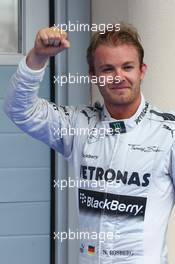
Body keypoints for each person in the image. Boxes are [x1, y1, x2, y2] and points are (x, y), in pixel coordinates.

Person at [4, 23, 175, 264]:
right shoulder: (78, 124)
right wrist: (38, 57)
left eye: (127, 67)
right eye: (107, 69)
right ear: (92, 75)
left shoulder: (168, 132)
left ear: (142, 71)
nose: (118, 77)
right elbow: (19, 110)